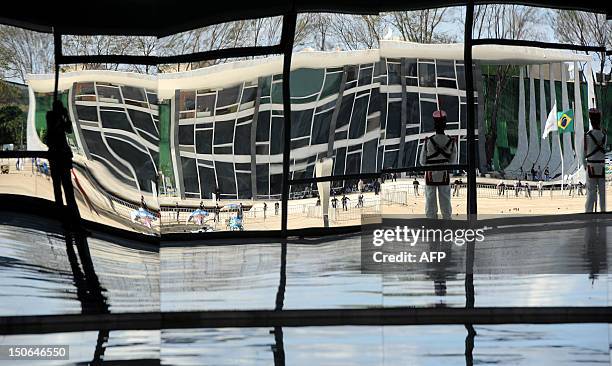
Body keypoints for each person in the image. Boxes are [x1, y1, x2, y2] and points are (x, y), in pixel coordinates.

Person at [419, 110, 457, 219]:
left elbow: (422, 161)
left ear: (434, 125)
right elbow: (453, 162)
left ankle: (432, 226)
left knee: (430, 201)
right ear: (445, 125)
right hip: (444, 175)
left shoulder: (428, 141)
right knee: (445, 201)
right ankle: (447, 224)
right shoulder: (451, 141)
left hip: (430, 175)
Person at [584, 108, 607, 212]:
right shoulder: (604, 136)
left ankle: (589, 211)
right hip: (601, 165)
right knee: (602, 191)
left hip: (591, 165)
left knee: (591, 192)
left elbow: (583, 153)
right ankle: (603, 210)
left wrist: (585, 165)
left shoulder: (587, 136)